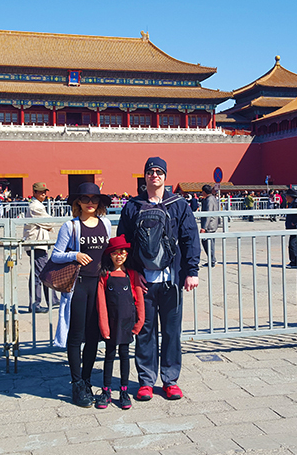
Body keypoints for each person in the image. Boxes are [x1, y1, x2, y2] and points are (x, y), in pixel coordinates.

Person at [117, 157, 200, 402]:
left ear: (165, 176)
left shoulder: (179, 205)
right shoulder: (132, 206)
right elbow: (124, 242)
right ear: (144, 177)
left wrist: (191, 271)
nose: (154, 175)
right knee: (145, 331)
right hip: (143, 281)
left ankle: (170, 380)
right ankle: (145, 381)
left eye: (159, 172)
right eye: (150, 172)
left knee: (172, 332)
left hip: (171, 281)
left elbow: (190, 238)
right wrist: (133, 274)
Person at [50, 182, 111, 407]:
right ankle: (76, 383)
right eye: (85, 199)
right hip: (79, 286)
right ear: (78, 202)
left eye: (94, 199)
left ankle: (87, 380)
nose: (90, 203)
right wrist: (74, 255)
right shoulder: (70, 226)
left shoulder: (105, 223)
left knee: (94, 336)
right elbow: (56, 255)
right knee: (76, 335)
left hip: (100, 285)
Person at [94, 235, 146, 410]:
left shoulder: (132, 275)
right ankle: (106, 390)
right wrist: (104, 326)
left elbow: (139, 300)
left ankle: (124, 391)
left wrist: (138, 324)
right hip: (111, 323)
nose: (119, 256)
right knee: (109, 356)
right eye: (115, 253)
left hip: (127, 324)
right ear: (110, 255)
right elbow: (101, 303)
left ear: (126, 254)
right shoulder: (105, 276)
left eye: (122, 253)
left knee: (125, 355)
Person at [23, 182, 59, 313]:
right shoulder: (35, 206)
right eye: (41, 192)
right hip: (36, 243)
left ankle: (51, 300)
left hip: (39, 243)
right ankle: (36, 304)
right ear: (34, 193)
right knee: (41, 274)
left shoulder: (38, 205)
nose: (43, 194)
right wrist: (49, 225)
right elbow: (48, 221)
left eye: (45, 192)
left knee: (41, 272)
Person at [200, 184, 220, 267]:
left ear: (204, 192)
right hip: (213, 223)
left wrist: (204, 227)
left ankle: (212, 260)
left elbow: (208, 214)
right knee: (210, 242)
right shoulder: (213, 198)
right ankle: (212, 259)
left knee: (207, 242)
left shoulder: (209, 200)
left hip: (209, 225)